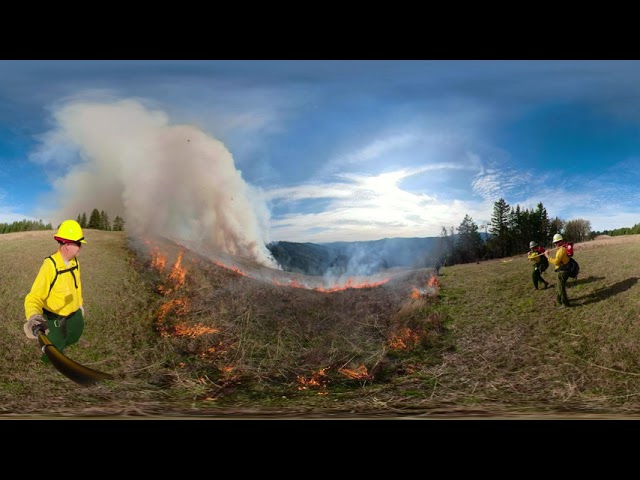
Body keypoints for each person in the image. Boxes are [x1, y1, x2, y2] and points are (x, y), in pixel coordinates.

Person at [24, 219, 87, 362]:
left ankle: (64, 343)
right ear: (66, 244)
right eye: (78, 243)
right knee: (54, 347)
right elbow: (33, 297)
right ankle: (50, 362)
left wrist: (80, 305)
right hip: (55, 317)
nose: (80, 247)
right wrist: (34, 317)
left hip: (74, 312)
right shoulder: (50, 266)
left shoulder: (75, 262)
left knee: (74, 335)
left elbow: (77, 286)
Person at [545, 233, 571, 307]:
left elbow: (556, 262)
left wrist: (547, 257)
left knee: (561, 289)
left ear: (561, 241)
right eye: (555, 243)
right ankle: (558, 300)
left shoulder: (561, 250)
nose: (555, 244)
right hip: (562, 270)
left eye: (556, 242)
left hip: (562, 272)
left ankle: (565, 304)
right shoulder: (561, 249)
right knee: (559, 287)